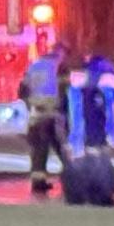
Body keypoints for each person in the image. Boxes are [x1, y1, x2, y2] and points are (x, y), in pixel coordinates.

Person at [63, 56, 114, 207]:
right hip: (84, 144)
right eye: (95, 71)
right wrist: (74, 146)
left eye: (100, 72)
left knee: (104, 179)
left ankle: (101, 199)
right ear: (88, 72)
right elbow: (72, 118)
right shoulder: (76, 92)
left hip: (101, 142)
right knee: (87, 178)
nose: (97, 75)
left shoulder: (105, 93)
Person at [18, 42, 71, 194]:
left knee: (39, 150)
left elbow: (22, 90)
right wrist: (66, 116)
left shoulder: (35, 66)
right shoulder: (60, 68)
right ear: (61, 54)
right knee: (62, 147)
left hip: (35, 115)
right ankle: (71, 177)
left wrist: (29, 106)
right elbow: (64, 93)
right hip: (52, 115)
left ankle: (38, 182)